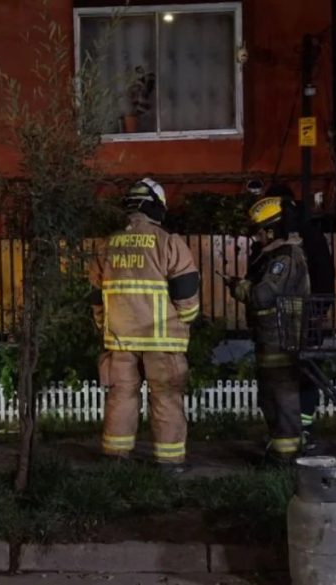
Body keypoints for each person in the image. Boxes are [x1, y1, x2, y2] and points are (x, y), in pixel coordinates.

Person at [93, 178, 201, 474]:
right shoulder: (168, 242)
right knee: (165, 395)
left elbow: (95, 294)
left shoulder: (107, 244)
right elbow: (186, 291)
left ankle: (115, 457)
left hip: (119, 339)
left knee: (121, 395)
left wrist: (105, 324)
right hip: (163, 340)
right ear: (158, 207)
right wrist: (186, 320)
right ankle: (169, 462)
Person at [226, 196, 310, 464]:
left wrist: (239, 287)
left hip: (282, 337)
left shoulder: (285, 257)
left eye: (260, 230)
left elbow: (263, 295)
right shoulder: (275, 255)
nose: (257, 236)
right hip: (270, 336)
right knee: (270, 396)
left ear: (274, 228)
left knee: (282, 396)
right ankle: (280, 448)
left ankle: (286, 458)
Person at [269, 184, 335, 452]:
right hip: (307, 318)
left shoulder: (288, 240)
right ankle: (302, 430)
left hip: (293, 320)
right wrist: (320, 312)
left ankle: (299, 430)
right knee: (305, 374)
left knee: (297, 375)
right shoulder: (311, 235)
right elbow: (327, 275)